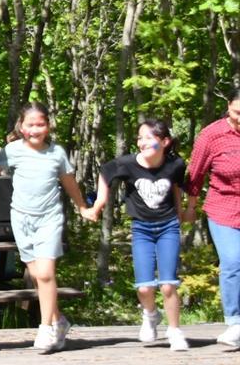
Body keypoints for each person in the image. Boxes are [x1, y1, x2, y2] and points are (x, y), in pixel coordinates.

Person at [0, 103, 88, 353]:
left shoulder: (57, 154)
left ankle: (46, 327)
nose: (35, 129)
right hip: (21, 219)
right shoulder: (13, 151)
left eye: (41, 124)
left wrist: (82, 206)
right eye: (30, 124)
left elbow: (69, 182)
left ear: (48, 126)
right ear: (22, 126)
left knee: (46, 274)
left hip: (49, 219)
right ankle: (59, 321)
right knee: (39, 276)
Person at [85, 119, 189, 351]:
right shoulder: (127, 164)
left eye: (149, 138)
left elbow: (176, 187)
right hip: (141, 228)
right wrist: (98, 205)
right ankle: (150, 315)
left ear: (164, 142)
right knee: (144, 287)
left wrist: (182, 213)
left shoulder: (175, 164)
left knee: (168, 284)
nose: (142, 143)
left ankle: (175, 331)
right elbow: (105, 172)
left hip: (168, 227)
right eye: (140, 138)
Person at [185, 90, 240, 349]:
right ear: (228, 106)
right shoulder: (211, 135)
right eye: (237, 112)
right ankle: (235, 322)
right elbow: (194, 175)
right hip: (224, 208)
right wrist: (190, 207)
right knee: (232, 261)